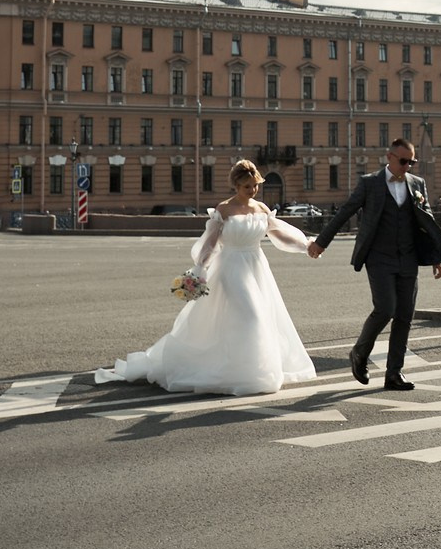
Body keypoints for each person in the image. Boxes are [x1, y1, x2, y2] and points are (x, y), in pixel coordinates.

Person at [96, 159, 319, 396]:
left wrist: (306, 245)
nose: (252, 190)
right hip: (231, 269)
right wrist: (200, 269)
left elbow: (281, 235)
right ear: (236, 185)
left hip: (256, 267)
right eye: (247, 186)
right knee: (251, 315)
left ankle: (248, 369)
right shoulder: (223, 210)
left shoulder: (262, 209)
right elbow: (210, 244)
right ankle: (249, 373)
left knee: (256, 317)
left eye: (255, 185)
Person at [312, 137, 441, 391]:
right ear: (389, 157)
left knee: (405, 315)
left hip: (408, 257)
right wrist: (321, 242)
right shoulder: (370, 184)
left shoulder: (417, 184)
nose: (407, 166)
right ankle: (359, 353)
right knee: (386, 308)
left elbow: (426, 222)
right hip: (379, 257)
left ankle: (394, 374)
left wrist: (436, 257)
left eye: (412, 162)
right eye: (403, 161)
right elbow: (345, 211)